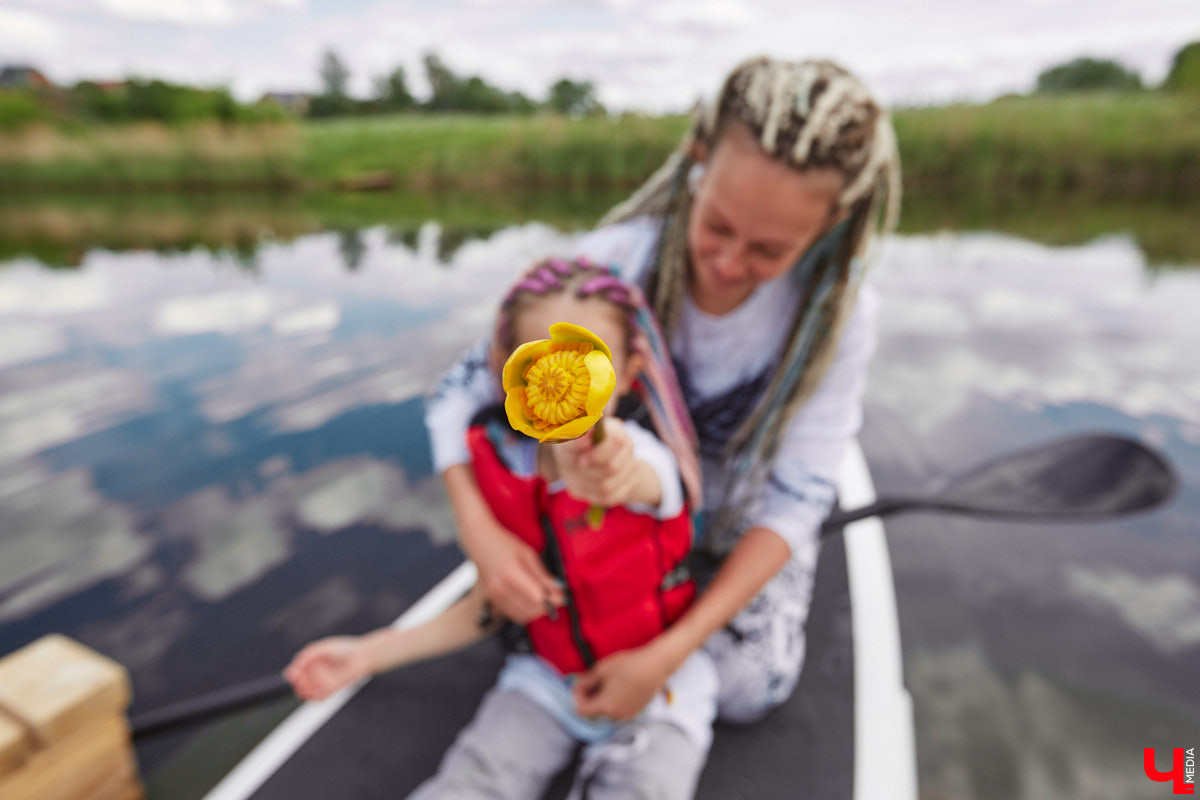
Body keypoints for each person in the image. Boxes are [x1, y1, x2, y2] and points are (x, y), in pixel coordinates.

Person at [425, 56, 901, 728]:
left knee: (750, 686)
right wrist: (483, 538)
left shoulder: (837, 318)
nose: (730, 265)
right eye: (717, 227)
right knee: (525, 627)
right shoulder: (609, 269)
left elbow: (796, 500)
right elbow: (456, 396)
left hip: (738, 513)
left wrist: (666, 657)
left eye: (768, 250)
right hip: (622, 499)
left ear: (830, 225)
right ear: (698, 163)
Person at [286, 256, 718, 799]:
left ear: (628, 373)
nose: (564, 385)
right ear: (505, 370)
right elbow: (490, 606)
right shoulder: (503, 475)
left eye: (586, 367)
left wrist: (616, 470)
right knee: (471, 783)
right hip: (542, 682)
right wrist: (368, 653)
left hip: (663, 691)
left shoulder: (644, 464)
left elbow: (640, 476)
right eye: (539, 365)